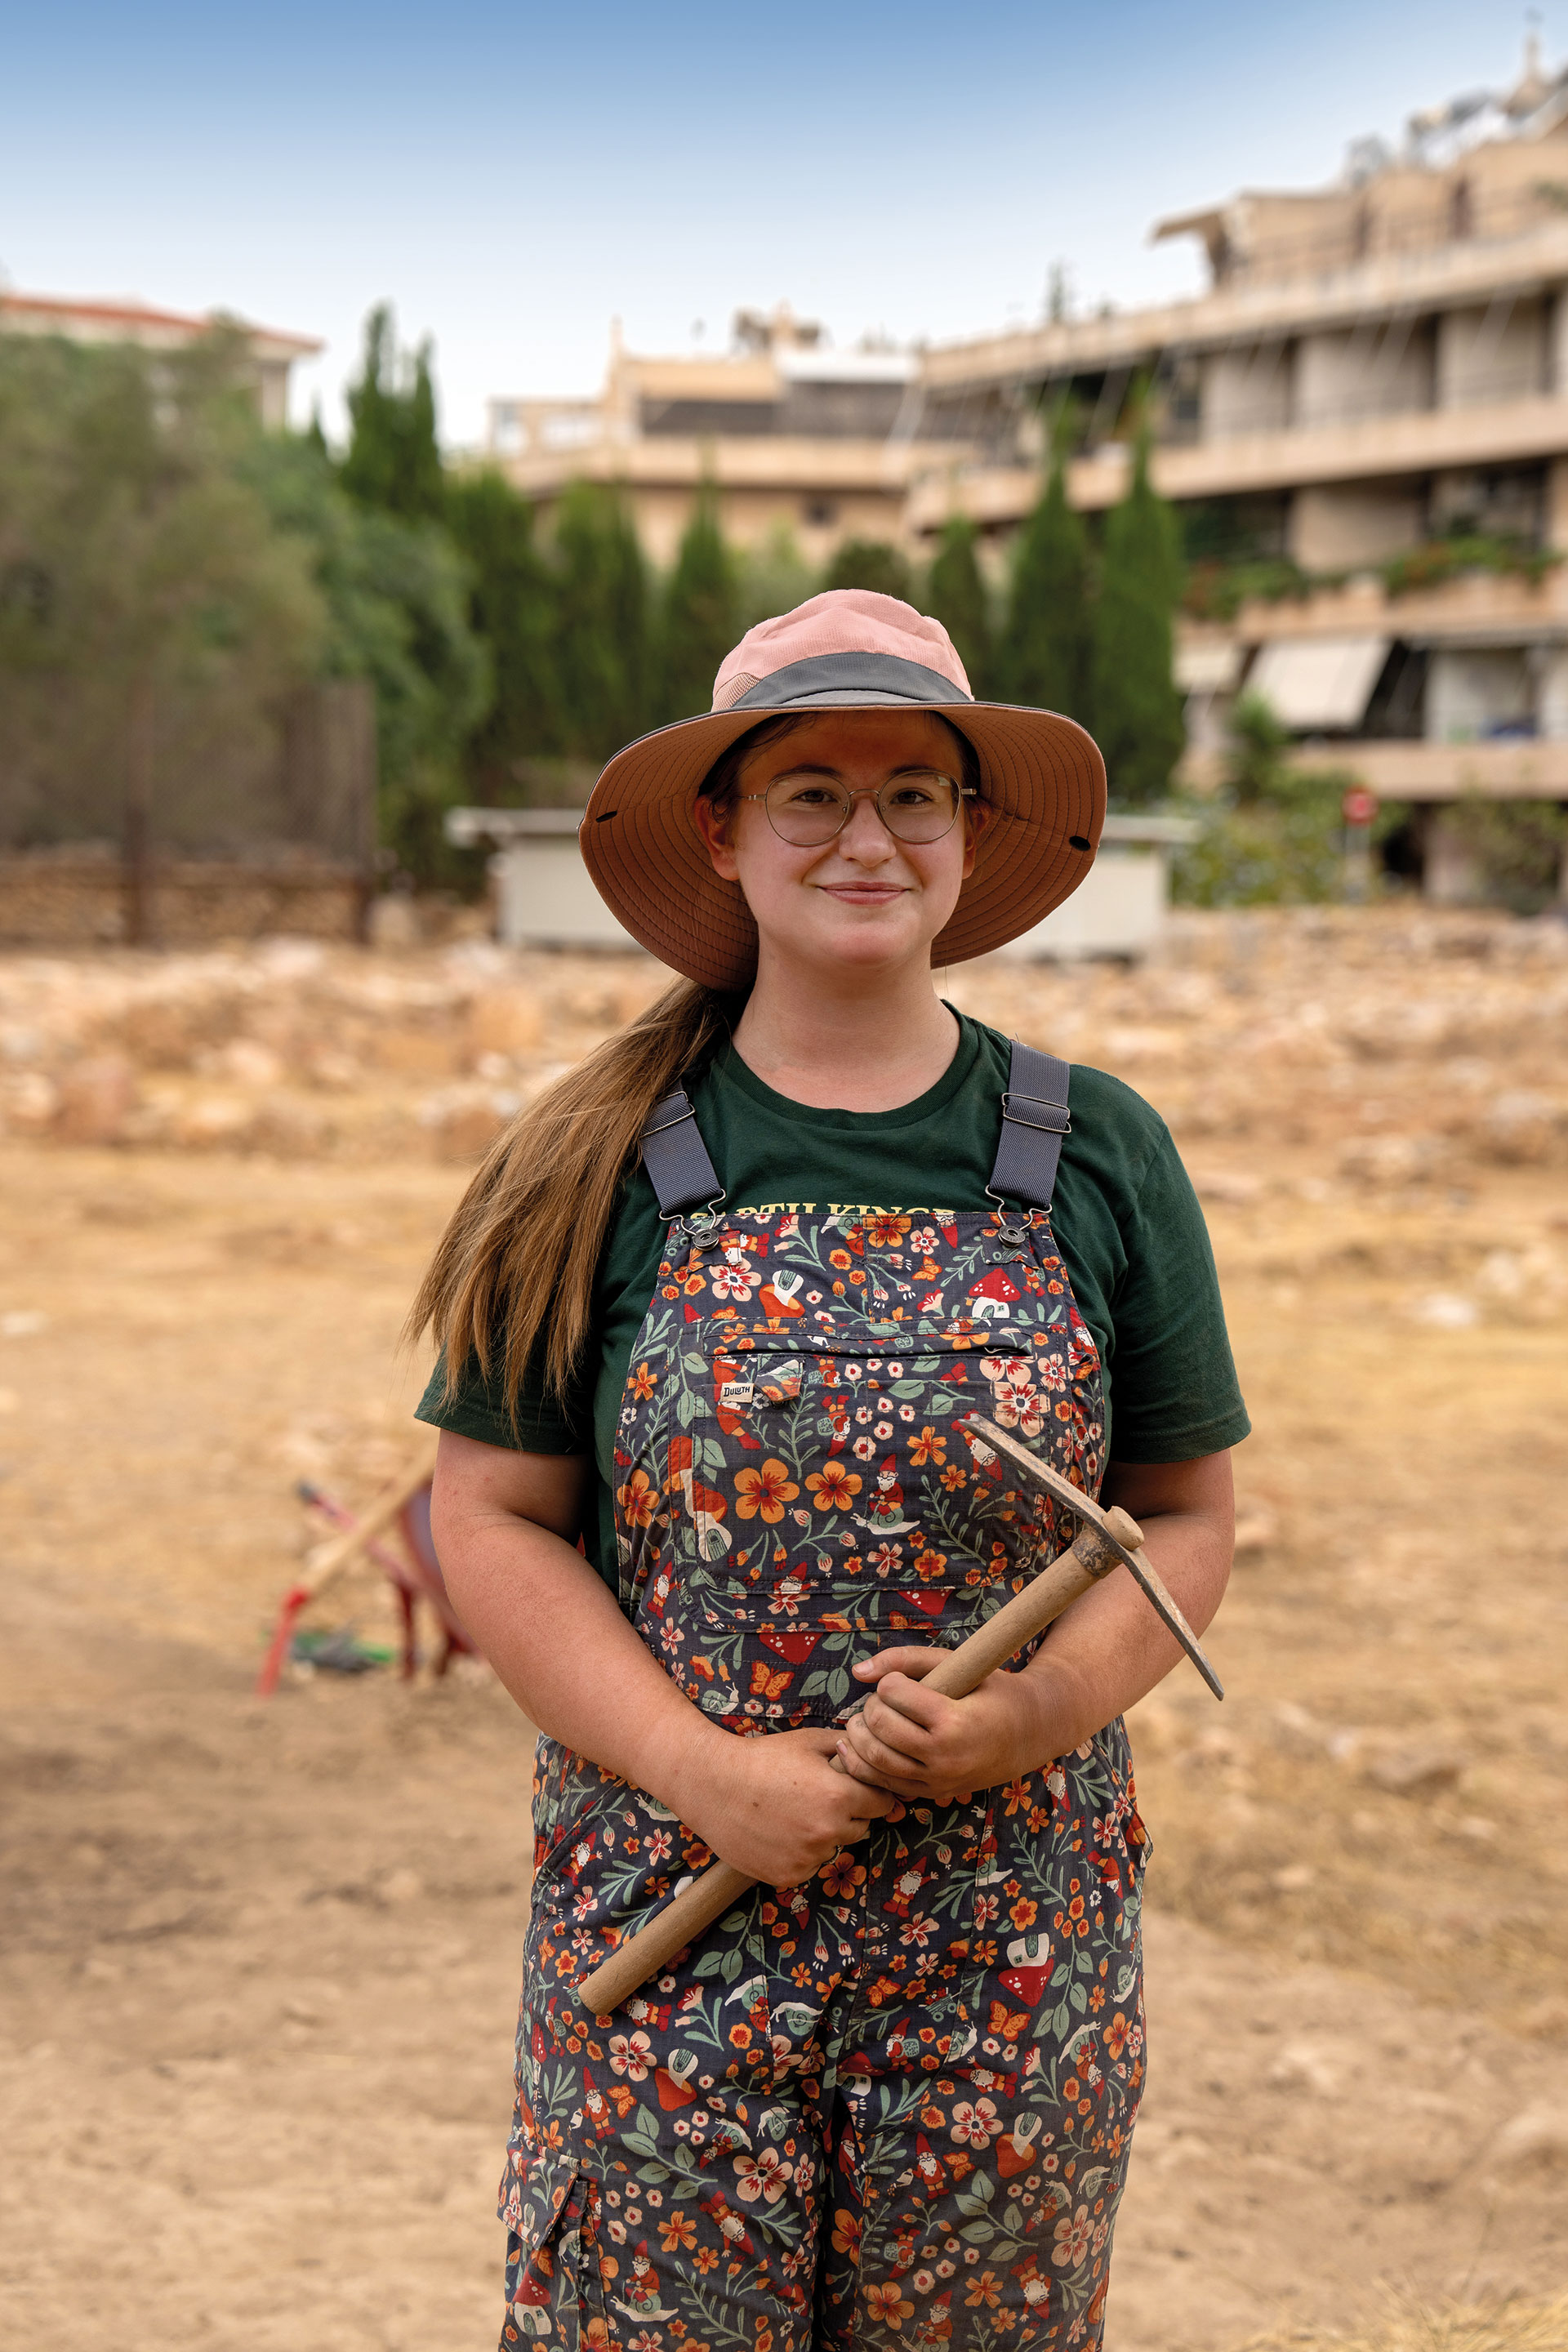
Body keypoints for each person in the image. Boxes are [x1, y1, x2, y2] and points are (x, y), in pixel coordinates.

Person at [411, 590, 1248, 2350]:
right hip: (673, 1925)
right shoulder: (590, 1162)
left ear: (969, 834)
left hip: (1010, 1959)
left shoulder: (1100, 1150)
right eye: (812, 793)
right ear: (723, 832)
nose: (867, 839)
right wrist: (702, 1772)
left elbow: (1182, 1514)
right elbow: (488, 1516)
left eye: (912, 795)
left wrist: (1028, 1718)